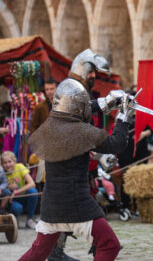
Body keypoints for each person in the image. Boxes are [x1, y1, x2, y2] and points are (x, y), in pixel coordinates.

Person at [20, 50, 132, 261]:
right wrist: (125, 115)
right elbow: (117, 143)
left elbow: (78, 107)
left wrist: (107, 102)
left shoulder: (49, 127)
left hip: (51, 206)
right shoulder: (82, 132)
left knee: (37, 253)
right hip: (77, 205)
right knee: (110, 245)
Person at [1, 151, 38, 229]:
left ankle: (29, 219)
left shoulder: (19, 166)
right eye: (4, 163)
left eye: (9, 162)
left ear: (14, 161)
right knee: (17, 208)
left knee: (33, 192)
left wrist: (16, 191)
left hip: (22, 196)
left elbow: (32, 183)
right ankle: (14, 219)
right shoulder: (1, 172)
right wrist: (8, 187)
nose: (7, 165)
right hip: (12, 200)